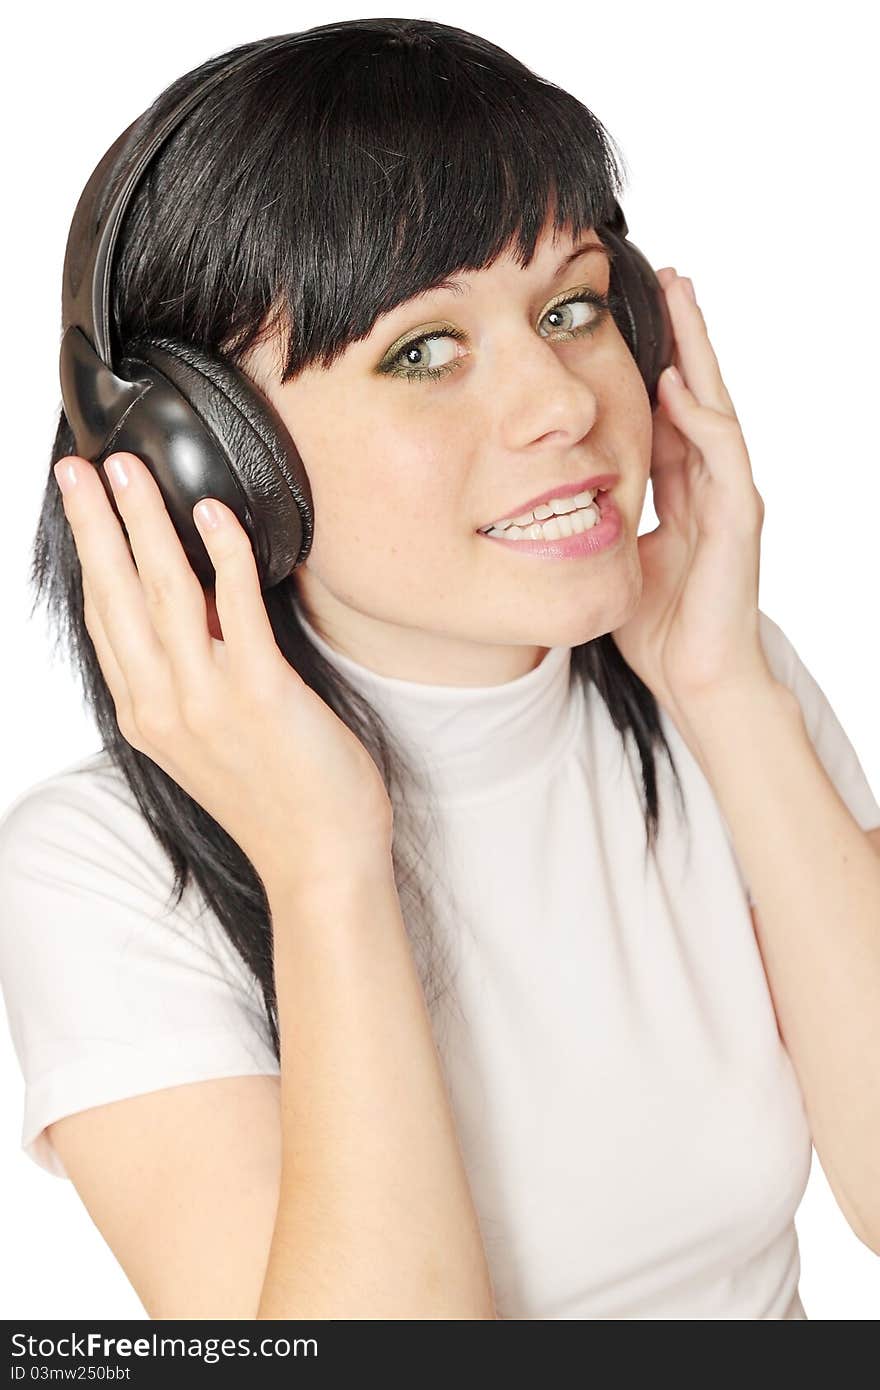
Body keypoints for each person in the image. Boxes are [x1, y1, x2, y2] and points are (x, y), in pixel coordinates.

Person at [1, 18, 879, 1320]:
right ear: (213, 457)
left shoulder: (723, 682)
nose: (566, 403)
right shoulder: (102, 867)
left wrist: (726, 691)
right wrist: (325, 866)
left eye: (573, 308)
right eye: (425, 350)